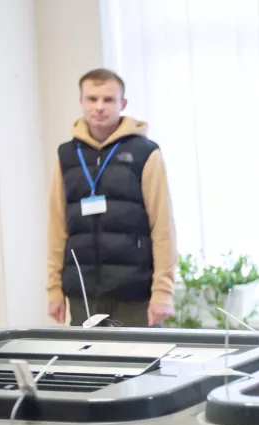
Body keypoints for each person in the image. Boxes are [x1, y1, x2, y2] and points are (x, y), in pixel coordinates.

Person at [46, 68, 177, 327]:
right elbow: (57, 228)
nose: (99, 107)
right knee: (89, 366)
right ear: (81, 102)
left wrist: (163, 292)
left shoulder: (145, 153)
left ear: (122, 104)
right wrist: (54, 289)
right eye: (92, 99)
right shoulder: (67, 156)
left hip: (136, 293)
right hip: (83, 292)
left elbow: (163, 228)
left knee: (141, 365)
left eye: (108, 100)